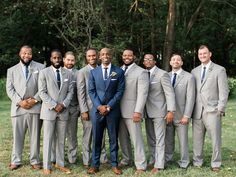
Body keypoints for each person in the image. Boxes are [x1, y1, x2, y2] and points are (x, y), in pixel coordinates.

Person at [87, 48, 125, 175]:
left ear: (111, 56)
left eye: (108, 54)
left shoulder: (118, 71)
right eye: (103, 54)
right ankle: (95, 164)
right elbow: (91, 91)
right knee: (97, 138)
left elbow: (120, 91)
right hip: (97, 111)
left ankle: (114, 164)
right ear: (99, 56)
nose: (105, 56)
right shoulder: (93, 72)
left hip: (112, 111)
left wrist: (108, 106)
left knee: (113, 138)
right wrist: (99, 107)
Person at [191, 45, 229, 172]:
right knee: (197, 139)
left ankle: (216, 163)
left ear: (210, 54)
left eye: (205, 53)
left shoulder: (219, 70)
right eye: (200, 54)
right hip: (197, 111)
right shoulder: (194, 71)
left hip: (213, 110)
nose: (202, 55)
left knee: (215, 139)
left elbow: (224, 91)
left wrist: (221, 109)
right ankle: (197, 162)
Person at [6, 45, 45, 170]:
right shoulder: (11, 70)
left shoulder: (41, 67)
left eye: (29, 53)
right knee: (18, 136)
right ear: (20, 54)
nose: (26, 56)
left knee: (35, 136)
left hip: (35, 107)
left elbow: (43, 87)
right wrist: (19, 101)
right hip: (18, 108)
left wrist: (34, 100)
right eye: (24, 53)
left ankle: (35, 160)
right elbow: (9, 89)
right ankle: (16, 160)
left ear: (32, 54)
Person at [38, 50, 73, 174]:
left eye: (59, 58)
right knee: (48, 138)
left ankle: (60, 163)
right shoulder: (44, 73)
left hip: (63, 111)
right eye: (54, 58)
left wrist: (63, 104)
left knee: (61, 139)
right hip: (49, 111)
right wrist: (54, 105)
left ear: (62, 59)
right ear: (51, 59)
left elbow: (70, 92)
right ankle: (47, 166)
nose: (57, 60)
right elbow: (42, 92)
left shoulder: (68, 74)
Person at [143, 53, 175, 174]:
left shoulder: (162, 74)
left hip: (159, 111)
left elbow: (169, 93)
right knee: (151, 138)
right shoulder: (143, 73)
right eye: (145, 59)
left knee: (160, 138)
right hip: (147, 112)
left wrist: (170, 110)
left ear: (155, 61)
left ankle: (159, 164)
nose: (148, 61)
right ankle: (153, 159)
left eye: (150, 59)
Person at [119, 49, 148, 175]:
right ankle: (126, 159)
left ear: (134, 57)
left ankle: (141, 164)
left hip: (132, 111)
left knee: (136, 139)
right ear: (122, 57)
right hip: (118, 111)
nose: (127, 57)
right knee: (123, 138)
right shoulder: (118, 70)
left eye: (129, 55)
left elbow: (143, 94)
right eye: (125, 55)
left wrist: (138, 111)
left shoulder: (141, 72)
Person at [77, 48, 108, 168]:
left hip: (102, 109)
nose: (92, 58)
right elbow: (81, 93)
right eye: (89, 56)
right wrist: (84, 110)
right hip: (89, 110)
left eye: (94, 56)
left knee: (102, 135)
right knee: (88, 135)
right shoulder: (82, 72)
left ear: (98, 56)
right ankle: (86, 160)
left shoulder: (103, 69)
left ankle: (103, 158)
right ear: (86, 58)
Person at [165, 54, 195, 169]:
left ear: (181, 62)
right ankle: (168, 159)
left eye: (178, 59)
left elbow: (190, 98)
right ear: (170, 62)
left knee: (183, 141)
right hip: (168, 115)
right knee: (168, 139)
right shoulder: (165, 76)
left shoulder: (189, 77)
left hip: (182, 114)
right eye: (173, 59)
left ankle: (184, 162)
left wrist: (186, 115)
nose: (175, 61)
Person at [63, 51, 80, 164]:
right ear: (64, 59)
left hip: (73, 108)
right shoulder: (58, 71)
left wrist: (79, 107)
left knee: (72, 134)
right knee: (58, 134)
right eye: (68, 60)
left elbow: (80, 91)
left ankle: (72, 158)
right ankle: (56, 156)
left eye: (72, 60)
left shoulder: (78, 73)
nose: (70, 62)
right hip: (59, 109)